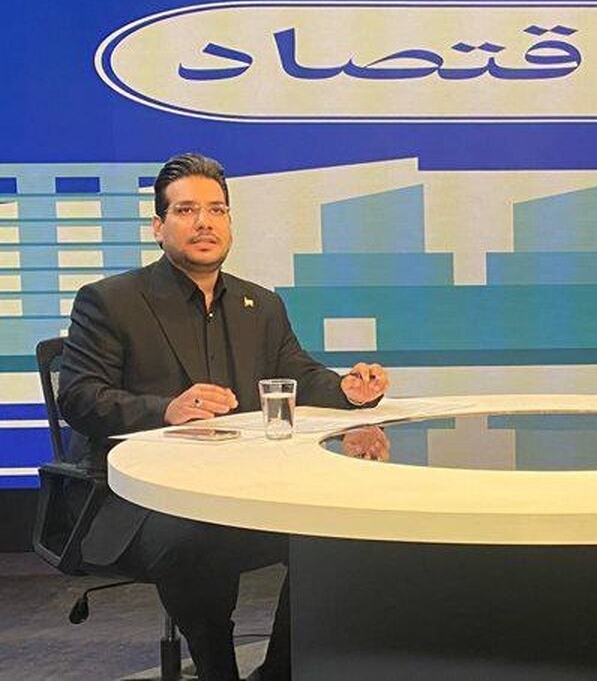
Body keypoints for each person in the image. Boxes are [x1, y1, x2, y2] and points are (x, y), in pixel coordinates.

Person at [58, 153, 390, 681]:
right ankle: (219, 671)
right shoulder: (110, 301)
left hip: (242, 488)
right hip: (139, 498)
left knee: (329, 531)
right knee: (198, 537)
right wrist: (166, 409)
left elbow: (297, 373)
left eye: (216, 210)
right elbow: (79, 398)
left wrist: (347, 390)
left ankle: (279, 670)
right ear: (159, 227)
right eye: (186, 210)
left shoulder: (261, 304)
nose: (204, 222)